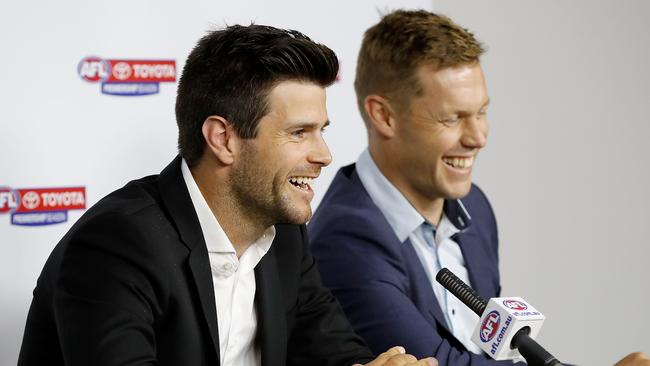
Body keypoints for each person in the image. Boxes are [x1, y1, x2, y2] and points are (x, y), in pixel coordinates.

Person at [17, 24, 437, 366]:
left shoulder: (284, 235)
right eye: (299, 133)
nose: (324, 155)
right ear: (223, 139)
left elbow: (331, 350)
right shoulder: (118, 245)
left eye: (321, 131)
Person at [308, 9, 649, 366]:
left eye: (481, 112)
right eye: (452, 117)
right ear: (384, 116)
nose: (478, 137)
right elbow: (441, 363)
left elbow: (493, 353)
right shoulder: (345, 240)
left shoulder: (475, 209)